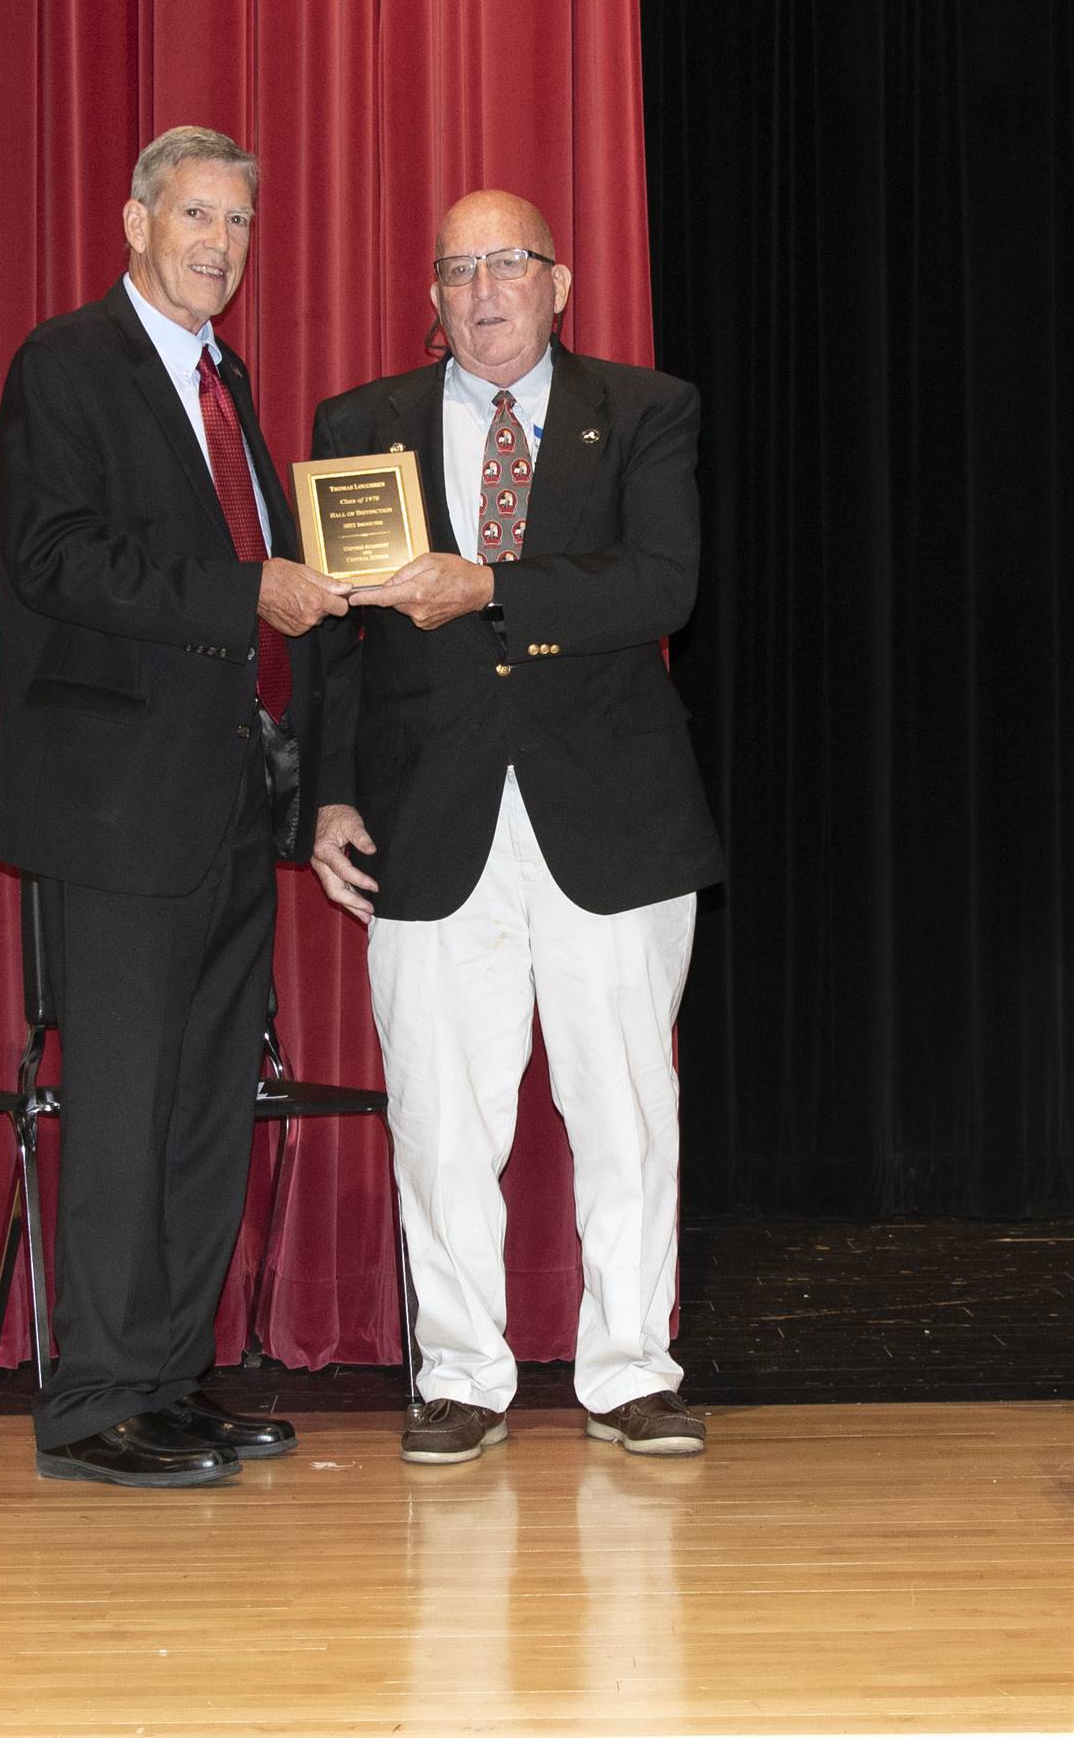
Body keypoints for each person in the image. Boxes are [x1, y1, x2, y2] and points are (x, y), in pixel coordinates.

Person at [310, 190, 724, 1464]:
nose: (482, 288)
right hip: (425, 822)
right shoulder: (359, 424)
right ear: (430, 299)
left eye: (507, 263)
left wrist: (487, 588)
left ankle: (631, 1369)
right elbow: (332, 638)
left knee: (626, 1111)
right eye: (455, 270)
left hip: (611, 816)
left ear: (560, 283)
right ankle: (461, 1373)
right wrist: (322, 792)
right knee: (440, 1116)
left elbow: (663, 583)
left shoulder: (646, 411)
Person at [0, 127, 350, 1488]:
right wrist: (239, 593)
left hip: (223, 802)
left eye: (238, 224)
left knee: (204, 1103)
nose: (219, 243)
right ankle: (90, 1405)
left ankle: (163, 1379)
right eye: (196, 214)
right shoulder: (65, 363)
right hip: (115, 809)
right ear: (134, 218)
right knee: (127, 1103)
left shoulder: (223, 378)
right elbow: (51, 556)